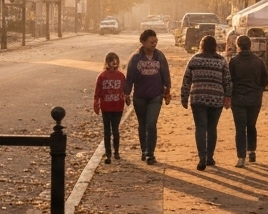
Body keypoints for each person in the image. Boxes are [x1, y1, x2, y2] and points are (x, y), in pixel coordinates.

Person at [181, 34, 233, 171]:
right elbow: (227, 81)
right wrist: (228, 96)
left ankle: (202, 156)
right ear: (215, 47)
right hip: (216, 98)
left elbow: (186, 79)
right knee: (212, 128)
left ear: (201, 46)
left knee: (200, 127)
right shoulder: (221, 61)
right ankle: (209, 157)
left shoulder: (195, 59)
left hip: (198, 98)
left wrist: (184, 97)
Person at [124, 29, 172, 165]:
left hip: (155, 96)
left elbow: (165, 73)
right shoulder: (135, 58)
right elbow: (130, 77)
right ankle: (144, 150)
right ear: (143, 42)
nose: (154, 44)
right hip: (139, 97)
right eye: (151, 42)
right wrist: (126, 93)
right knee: (142, 125)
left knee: (151, 124)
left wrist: (167, 89)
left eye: (155, 41)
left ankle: (150, 153)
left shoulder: (159, 56)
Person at [227, 35, 268, 167]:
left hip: (238, 98)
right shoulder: (258, 61)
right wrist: (258, 89)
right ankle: (251, 151)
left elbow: (229, 80)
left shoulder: (234, 62)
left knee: (240, 129)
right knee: (251, 126)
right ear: (250, 46)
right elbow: (266, 80)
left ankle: (241, 158)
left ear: (238, 46)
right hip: (254, 98)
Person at [93, 51, 128, 164]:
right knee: (107, 131)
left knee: (115, 130)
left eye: (116, 62)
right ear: (107, 63)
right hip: (106, 108)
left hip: (118, 107)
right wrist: (96, 103)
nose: (114, 64)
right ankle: (108, 154)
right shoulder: (102, 77)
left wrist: (127, 98)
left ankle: (116, 152)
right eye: (112, 62)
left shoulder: (121, 76)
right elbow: (97, 92)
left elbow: (125, 90)